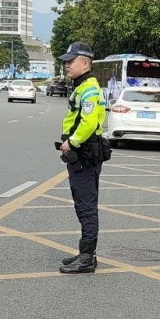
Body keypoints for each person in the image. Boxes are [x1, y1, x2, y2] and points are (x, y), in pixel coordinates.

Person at [55, 42, 109, 274]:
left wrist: (72, 142)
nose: (67, 65)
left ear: (85, 63)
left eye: (71, 61)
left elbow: (87, 122)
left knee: (86, 206)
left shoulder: (89, 89)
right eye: (66, 61)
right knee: (82, 204)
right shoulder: (83, 86)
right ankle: (85, 253)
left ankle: (88, 258)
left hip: (85, 153)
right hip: (83, 153)